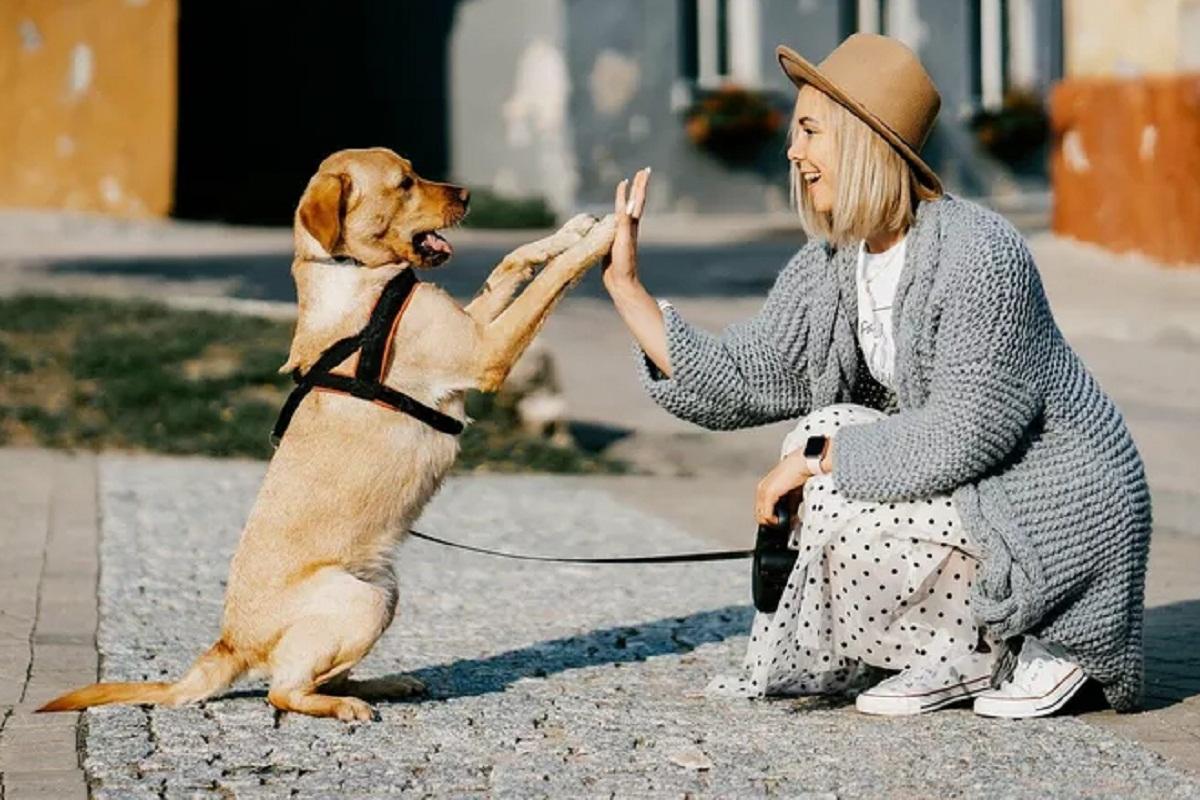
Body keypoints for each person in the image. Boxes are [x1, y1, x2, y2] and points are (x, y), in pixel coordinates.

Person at [601, 34, 1151, 717]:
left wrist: (814, 463)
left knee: (826, 453)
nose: (793, 151)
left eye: (810, 131)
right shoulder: (837, 260)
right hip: (977, 493)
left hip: (1056, 507)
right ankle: (950, 651)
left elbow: (965, 433)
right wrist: (627, 290)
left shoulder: (982, 253)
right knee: (824, 429)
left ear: (863, 140)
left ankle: (1027, 640)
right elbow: (749, 374)